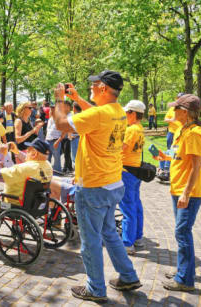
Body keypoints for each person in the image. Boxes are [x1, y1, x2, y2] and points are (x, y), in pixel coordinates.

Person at [53, 70, 141, 302]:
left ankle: (95, 288)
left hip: (93, 186)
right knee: (109, 233)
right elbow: (97, 115)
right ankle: (128, 275)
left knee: (91, 240)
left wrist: (60, 99)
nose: (90, 88)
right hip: (113, 184)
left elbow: (62, 124)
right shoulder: (118, 112)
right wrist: (78, 100)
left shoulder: (101, 114)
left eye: (94, 85)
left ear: (103, 88)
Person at [154, 94, 201, 292]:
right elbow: (179, 155)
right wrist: (164, 156)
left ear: (184, 112)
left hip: (190, 191)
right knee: (181, 232)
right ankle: (184, 270)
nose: (172, 112)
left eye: (175, 109)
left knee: (182, 232)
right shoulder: (182, 129)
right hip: (178, 188)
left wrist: (186, 194)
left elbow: (196, 167)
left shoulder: (195, 133)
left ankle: (185, 280)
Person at [120, 100, 146, 255]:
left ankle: (127, 243)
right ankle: (138, 237)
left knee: (127, 207)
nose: (124, 115)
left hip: (126, 171)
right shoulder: (139, 128)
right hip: (135, 170)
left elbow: (121, 148)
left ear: (133, 113)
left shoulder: (131, 130)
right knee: (135, 204)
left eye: (127, 113)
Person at [158, 93, 184, 181]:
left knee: (173, 150)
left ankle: (166, 169)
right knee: (170, 150)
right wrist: (172, 120)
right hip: (171, 132)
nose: (178, 100)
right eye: (178, 98)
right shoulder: (172, 109)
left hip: (180, 133)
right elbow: (165, 119)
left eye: (180, 98)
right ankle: (163, 169)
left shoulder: (185, 110)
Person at [45, 105, 64, 174]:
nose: (51, 111)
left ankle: (57, 173)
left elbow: (64, 132)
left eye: (53, 110)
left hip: (55, 141)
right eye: (50, 110)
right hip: (47, 140)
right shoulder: (50, 119)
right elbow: (48, 131)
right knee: (47, 158)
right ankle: (48, 172)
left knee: (56, 158)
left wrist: (58, 141)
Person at [60, 101, 73, 173]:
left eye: (65, 106)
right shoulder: (63, 115)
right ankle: (70, 167)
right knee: (66, 152)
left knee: (67, 153)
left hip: (68, 136)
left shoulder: (71, 115)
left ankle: (65, 168)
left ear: (68, 107)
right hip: (62, 136)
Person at [70, 102, 82, 167]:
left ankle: (77, 172)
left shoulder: (74, 117)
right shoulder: (83, 115)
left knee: (75, 157)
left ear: (74, 108)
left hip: (75, 138)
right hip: (81, 137)